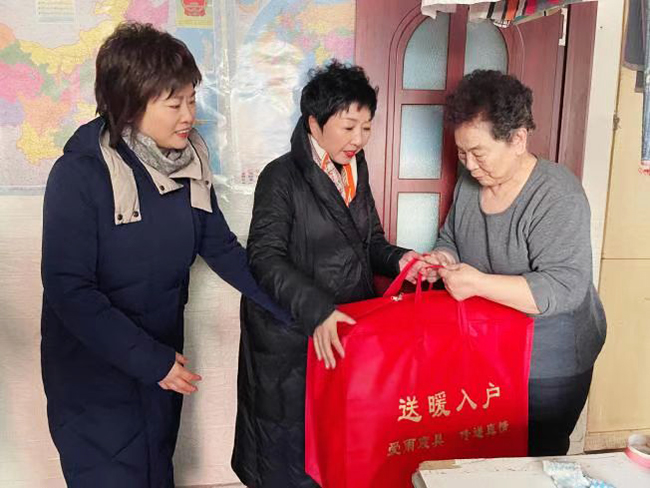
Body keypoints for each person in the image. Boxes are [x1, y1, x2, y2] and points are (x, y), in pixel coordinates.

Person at [40, 22, 288, 487]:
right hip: (95, 378)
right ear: (130, 104)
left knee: (156, 471)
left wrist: (296, 308)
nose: (189, 115)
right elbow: (69, 291)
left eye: (192, 99)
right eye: (174, 104)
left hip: (160, 366)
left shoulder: (187, 164)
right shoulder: (79, 174)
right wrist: (150, 361)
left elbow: (222, 248)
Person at [231, 61, 424, 487]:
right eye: (349, 127)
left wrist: (402, 260)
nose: (359, 139)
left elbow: (370, 241)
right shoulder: (281, 176)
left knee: (338, 448)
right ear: (314, 123)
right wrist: (316, 310)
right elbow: (264, 257)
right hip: (293, 334)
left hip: (344, 331)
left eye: (367, 127)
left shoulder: (355, 170)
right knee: (291, 455)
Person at [424, 69, 607, 456]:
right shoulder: (470, 184)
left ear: (518, 139)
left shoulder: (557, 194)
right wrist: (443, 257)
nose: (469, 165)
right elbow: (451, 237)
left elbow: (563, 288)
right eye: (462, 153)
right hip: (490, 345)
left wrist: (477, 283)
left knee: (534, 457)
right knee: (483, 450)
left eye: (478, 153)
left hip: (550, 358)